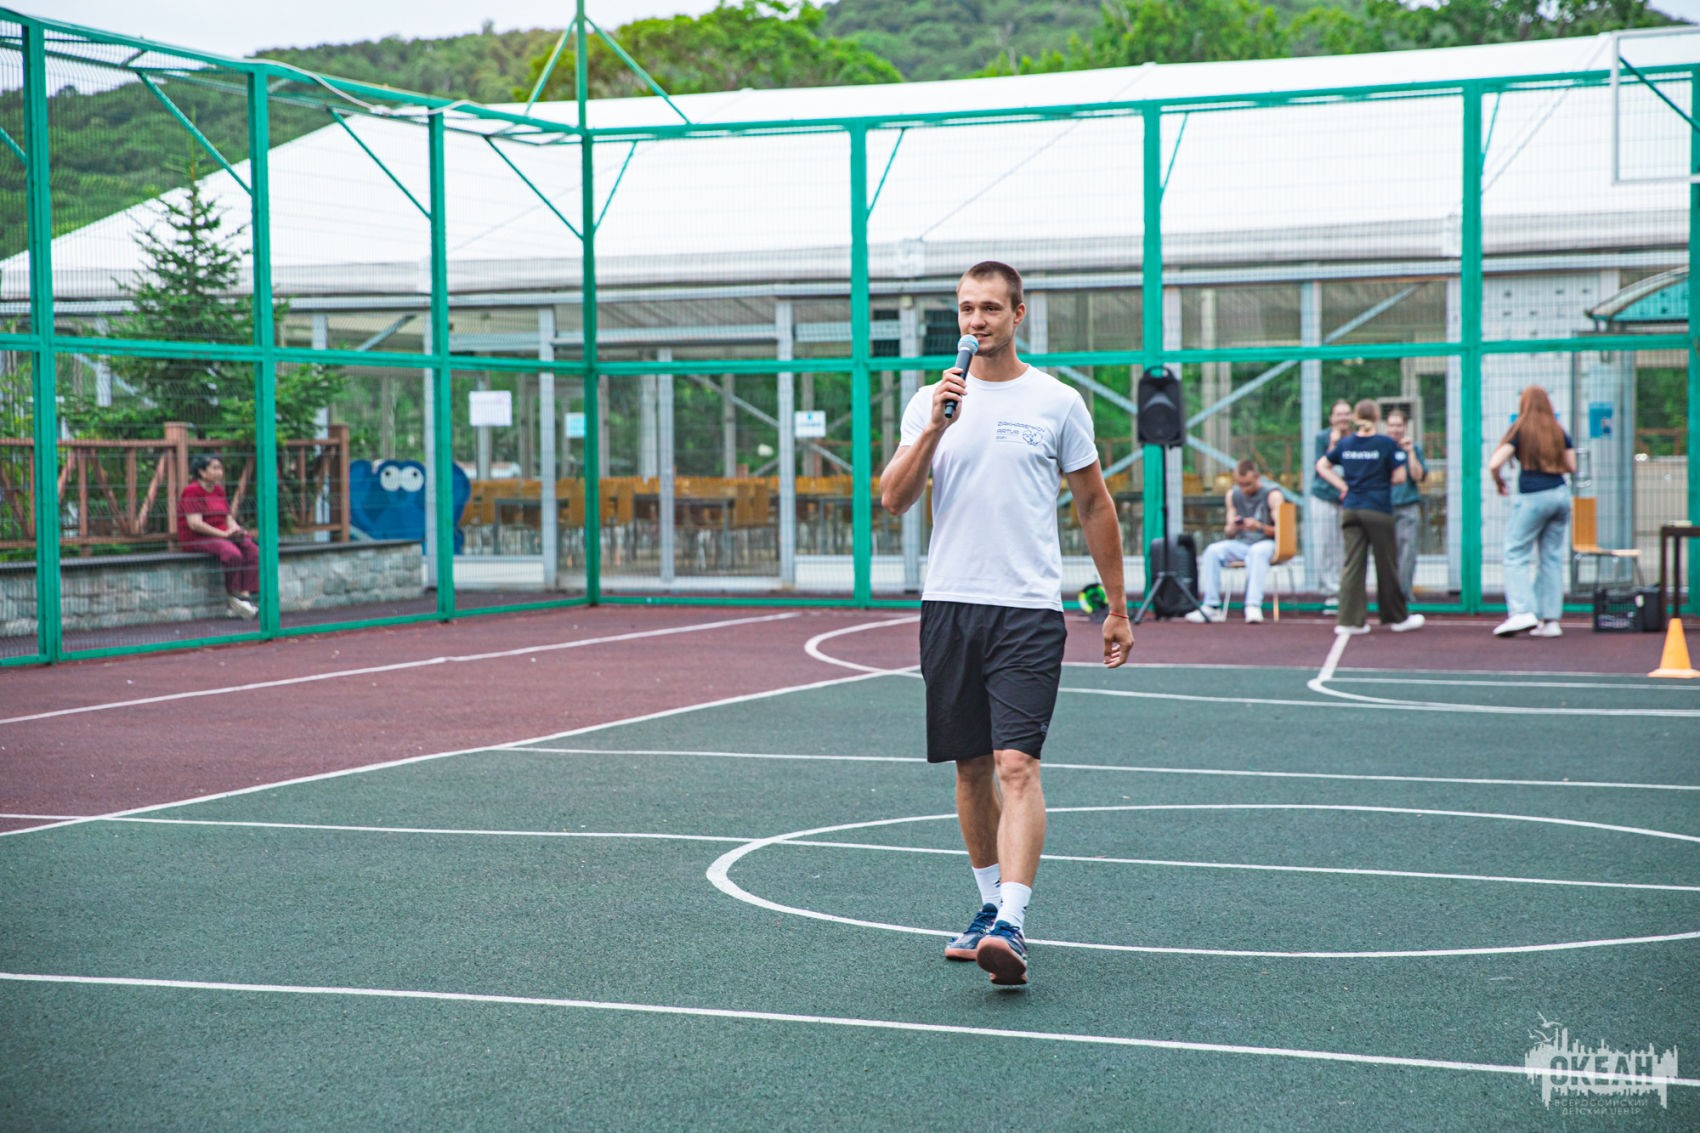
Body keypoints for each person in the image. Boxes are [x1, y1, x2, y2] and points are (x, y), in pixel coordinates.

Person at [880, 261, 1132, 989]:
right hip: (949, 604)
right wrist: (933, 430)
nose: (976, 321)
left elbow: (1094, 504)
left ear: (1019, 314)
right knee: (970, 767)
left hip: (1027, 609)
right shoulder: (930, 400)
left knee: (1017, 764)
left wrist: (1116, 608)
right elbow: (893, 498)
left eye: (990, 308)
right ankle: (988, 905)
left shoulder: (1057, 402)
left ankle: (1013, 921)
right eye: (966, 308)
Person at [1314, 400, 1425, 636]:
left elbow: (1322, 466)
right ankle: (1397, 617)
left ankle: (1349, 621)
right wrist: (1380, 478)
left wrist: (1344, 486)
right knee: (1386, 564)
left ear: (1355, 417)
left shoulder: (1346, 444)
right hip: (1377, 509)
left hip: (1351, 508)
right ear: (1377, 418)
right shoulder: (1386, 444)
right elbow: (1399, 477)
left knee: (1352, 565)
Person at [1487, 385, 1576, 638]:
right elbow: (1572, 466)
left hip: (1533, 496)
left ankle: (1521, 611)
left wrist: (1499, 482)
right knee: (1551, 558)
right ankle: (1550, 621)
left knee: (1515, 552)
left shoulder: (1521, 429)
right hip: (1560, 495)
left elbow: (1494, 463)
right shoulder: (1558, 430)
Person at [1185, 458, 1285, 624]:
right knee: (1212, 551)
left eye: (1248, 484)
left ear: (1257, 477)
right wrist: (1233, 527)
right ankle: (1211, 606)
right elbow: (1228, 530)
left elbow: (1283, 532)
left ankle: (1253, 605)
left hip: (1267, 544)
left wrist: (1259, 526)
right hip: (1242, 544)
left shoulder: (1273, 495)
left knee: (1257, 552)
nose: (1244, 489)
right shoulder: (1233, 495)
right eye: (1240, 484)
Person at [178, 454, 259, 619]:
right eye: (215, 468)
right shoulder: (191, 491)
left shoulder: (218, 491)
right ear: (201, 472)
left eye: (220, 468)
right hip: (198, 538)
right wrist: (223, 534)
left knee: (252, 549)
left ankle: (245, 595)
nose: (219, 472)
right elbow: (195, 524)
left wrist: (237, 530)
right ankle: (234, 595)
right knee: (232, 553)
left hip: (221, 535)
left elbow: (227, 518)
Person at [1308, 399, 1353, 610]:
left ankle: (1347, 590)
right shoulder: (1322, 437)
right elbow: (1322, 467)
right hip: (1324, 497)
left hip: (1349, 499)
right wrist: (1333, 445)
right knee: (1325, 545)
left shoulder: (1356, 438)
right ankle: (1331, 592)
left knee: (1346, 546)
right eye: (1339, 414)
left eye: (1346, 413)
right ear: (1332, 418)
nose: (1343, 418)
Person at [1384, 408, 1427, 600]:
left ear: (1405, 427)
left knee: (1408, 552)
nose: (1395, 429)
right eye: (1391, 425)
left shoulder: (1415, 448)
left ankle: (1403, 593)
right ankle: (1388, 594)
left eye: (1399, 425)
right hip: (1385, 507)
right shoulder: (1382, 448)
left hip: (1408, 506)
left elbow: (1418, 476)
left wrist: (1410, 453)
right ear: (1386, 427)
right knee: (1387, 553)